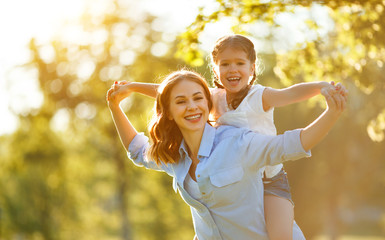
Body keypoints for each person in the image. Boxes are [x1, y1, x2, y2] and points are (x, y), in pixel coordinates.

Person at [110, 34, 347, 239]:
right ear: (215, 69)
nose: (232, 69)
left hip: (270, 178)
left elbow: (291, 101)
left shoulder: (255, 106)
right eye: (225, 64)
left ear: (252, 68)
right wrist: (128, 91)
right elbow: (168, 94)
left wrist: (323, 89)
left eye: (240, 63)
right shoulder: (212, 101)